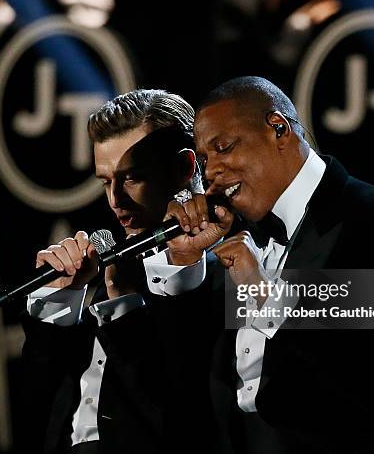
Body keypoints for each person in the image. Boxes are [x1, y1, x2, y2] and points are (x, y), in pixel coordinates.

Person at [153, 76, 374, 454]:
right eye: (204, 160)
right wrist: (185, 264)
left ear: (279, 129)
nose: (209, 173)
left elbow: (366, 386)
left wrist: (263, 294)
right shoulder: (229, 233)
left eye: (223, 147)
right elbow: (180, 385)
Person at [20, 89, 230, 454]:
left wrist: (126, 302)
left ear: (184, 168)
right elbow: (35, 406)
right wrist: (59, 301)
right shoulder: (107, 270)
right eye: (105, 181)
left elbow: (183, 417)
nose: (115, 199)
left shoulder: (230, 274)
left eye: (132, 177)